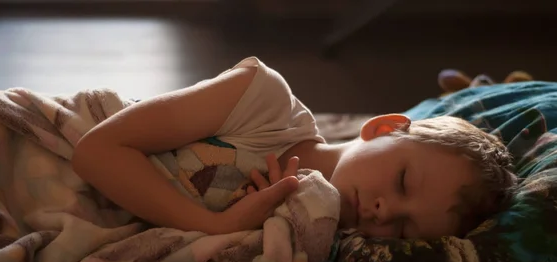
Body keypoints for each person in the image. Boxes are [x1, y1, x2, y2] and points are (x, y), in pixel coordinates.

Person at [72, 57, 517, 239]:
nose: (383, 210)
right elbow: (96, 149)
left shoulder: (312, 237)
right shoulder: (262, 102)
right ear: (382, 129)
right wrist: (212, 225)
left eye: (402, 229)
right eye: (402, 181)